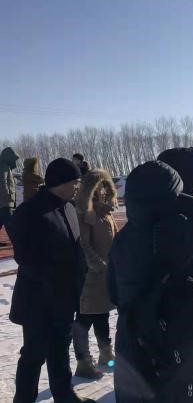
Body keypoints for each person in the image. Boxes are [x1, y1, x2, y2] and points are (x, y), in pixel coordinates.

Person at [108, 160, 193, 402]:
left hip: (131, 337)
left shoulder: (122, 238)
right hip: (174, 334)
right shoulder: (177, 229)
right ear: (172, 196)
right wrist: (184, 200)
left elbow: (113, 293)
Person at [9, 158, 94, 403]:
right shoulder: (30, 211)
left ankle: (64, 395)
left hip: (64, 298)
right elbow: (26, 257)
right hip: (39, 300)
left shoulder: (68, 207)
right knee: (34, 354)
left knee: (60, 350)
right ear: (60, 182)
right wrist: (57, 276)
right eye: (75, 182)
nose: (77, 186)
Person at [72, 169, 118, 380]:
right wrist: (98, 265)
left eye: (106, 187)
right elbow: (83, 244)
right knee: (84, 319)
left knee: (103, 315)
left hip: (106, 275)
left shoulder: (106, 212)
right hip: (90, 277)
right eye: (99, 187)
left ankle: (106, 354)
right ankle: (83, 362)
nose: (103, 191)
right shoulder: (85, 213)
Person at [0, 147, 19, 246]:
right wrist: (7, 196)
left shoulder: (5, 166)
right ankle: (17, 242)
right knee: (10, 223)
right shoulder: (3, 166)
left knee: (3, 221)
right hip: (5, 200)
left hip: (4, 200)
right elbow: (2, 182)